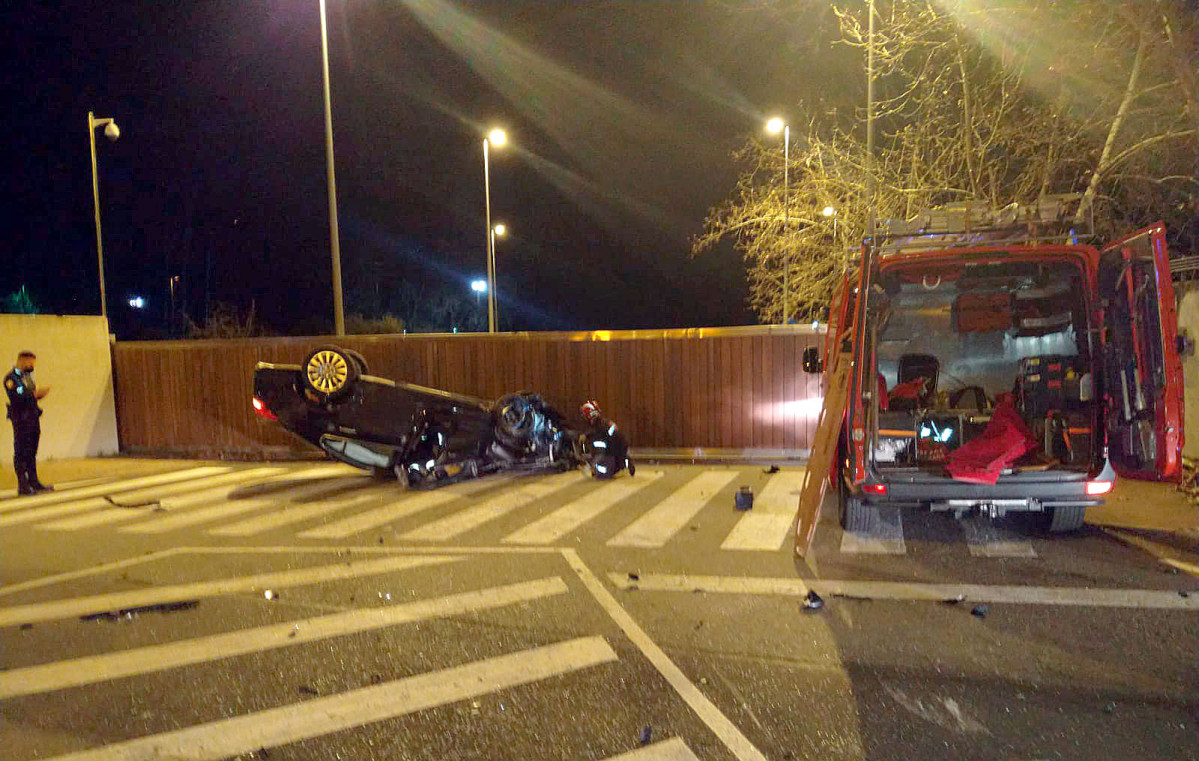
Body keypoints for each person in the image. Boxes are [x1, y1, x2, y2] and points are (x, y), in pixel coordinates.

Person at [5, 351, 52, 495]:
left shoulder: (27, 377)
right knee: (21, 451)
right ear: (22, 361)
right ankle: (23, 485)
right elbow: (18, 395)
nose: (32, 366)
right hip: (21, 419)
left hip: (32, 417)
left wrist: (36, 395)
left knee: (32, 450)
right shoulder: (11, 378)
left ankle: (33, 481)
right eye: (30, 363)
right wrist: (34, 394)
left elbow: (30, 394)